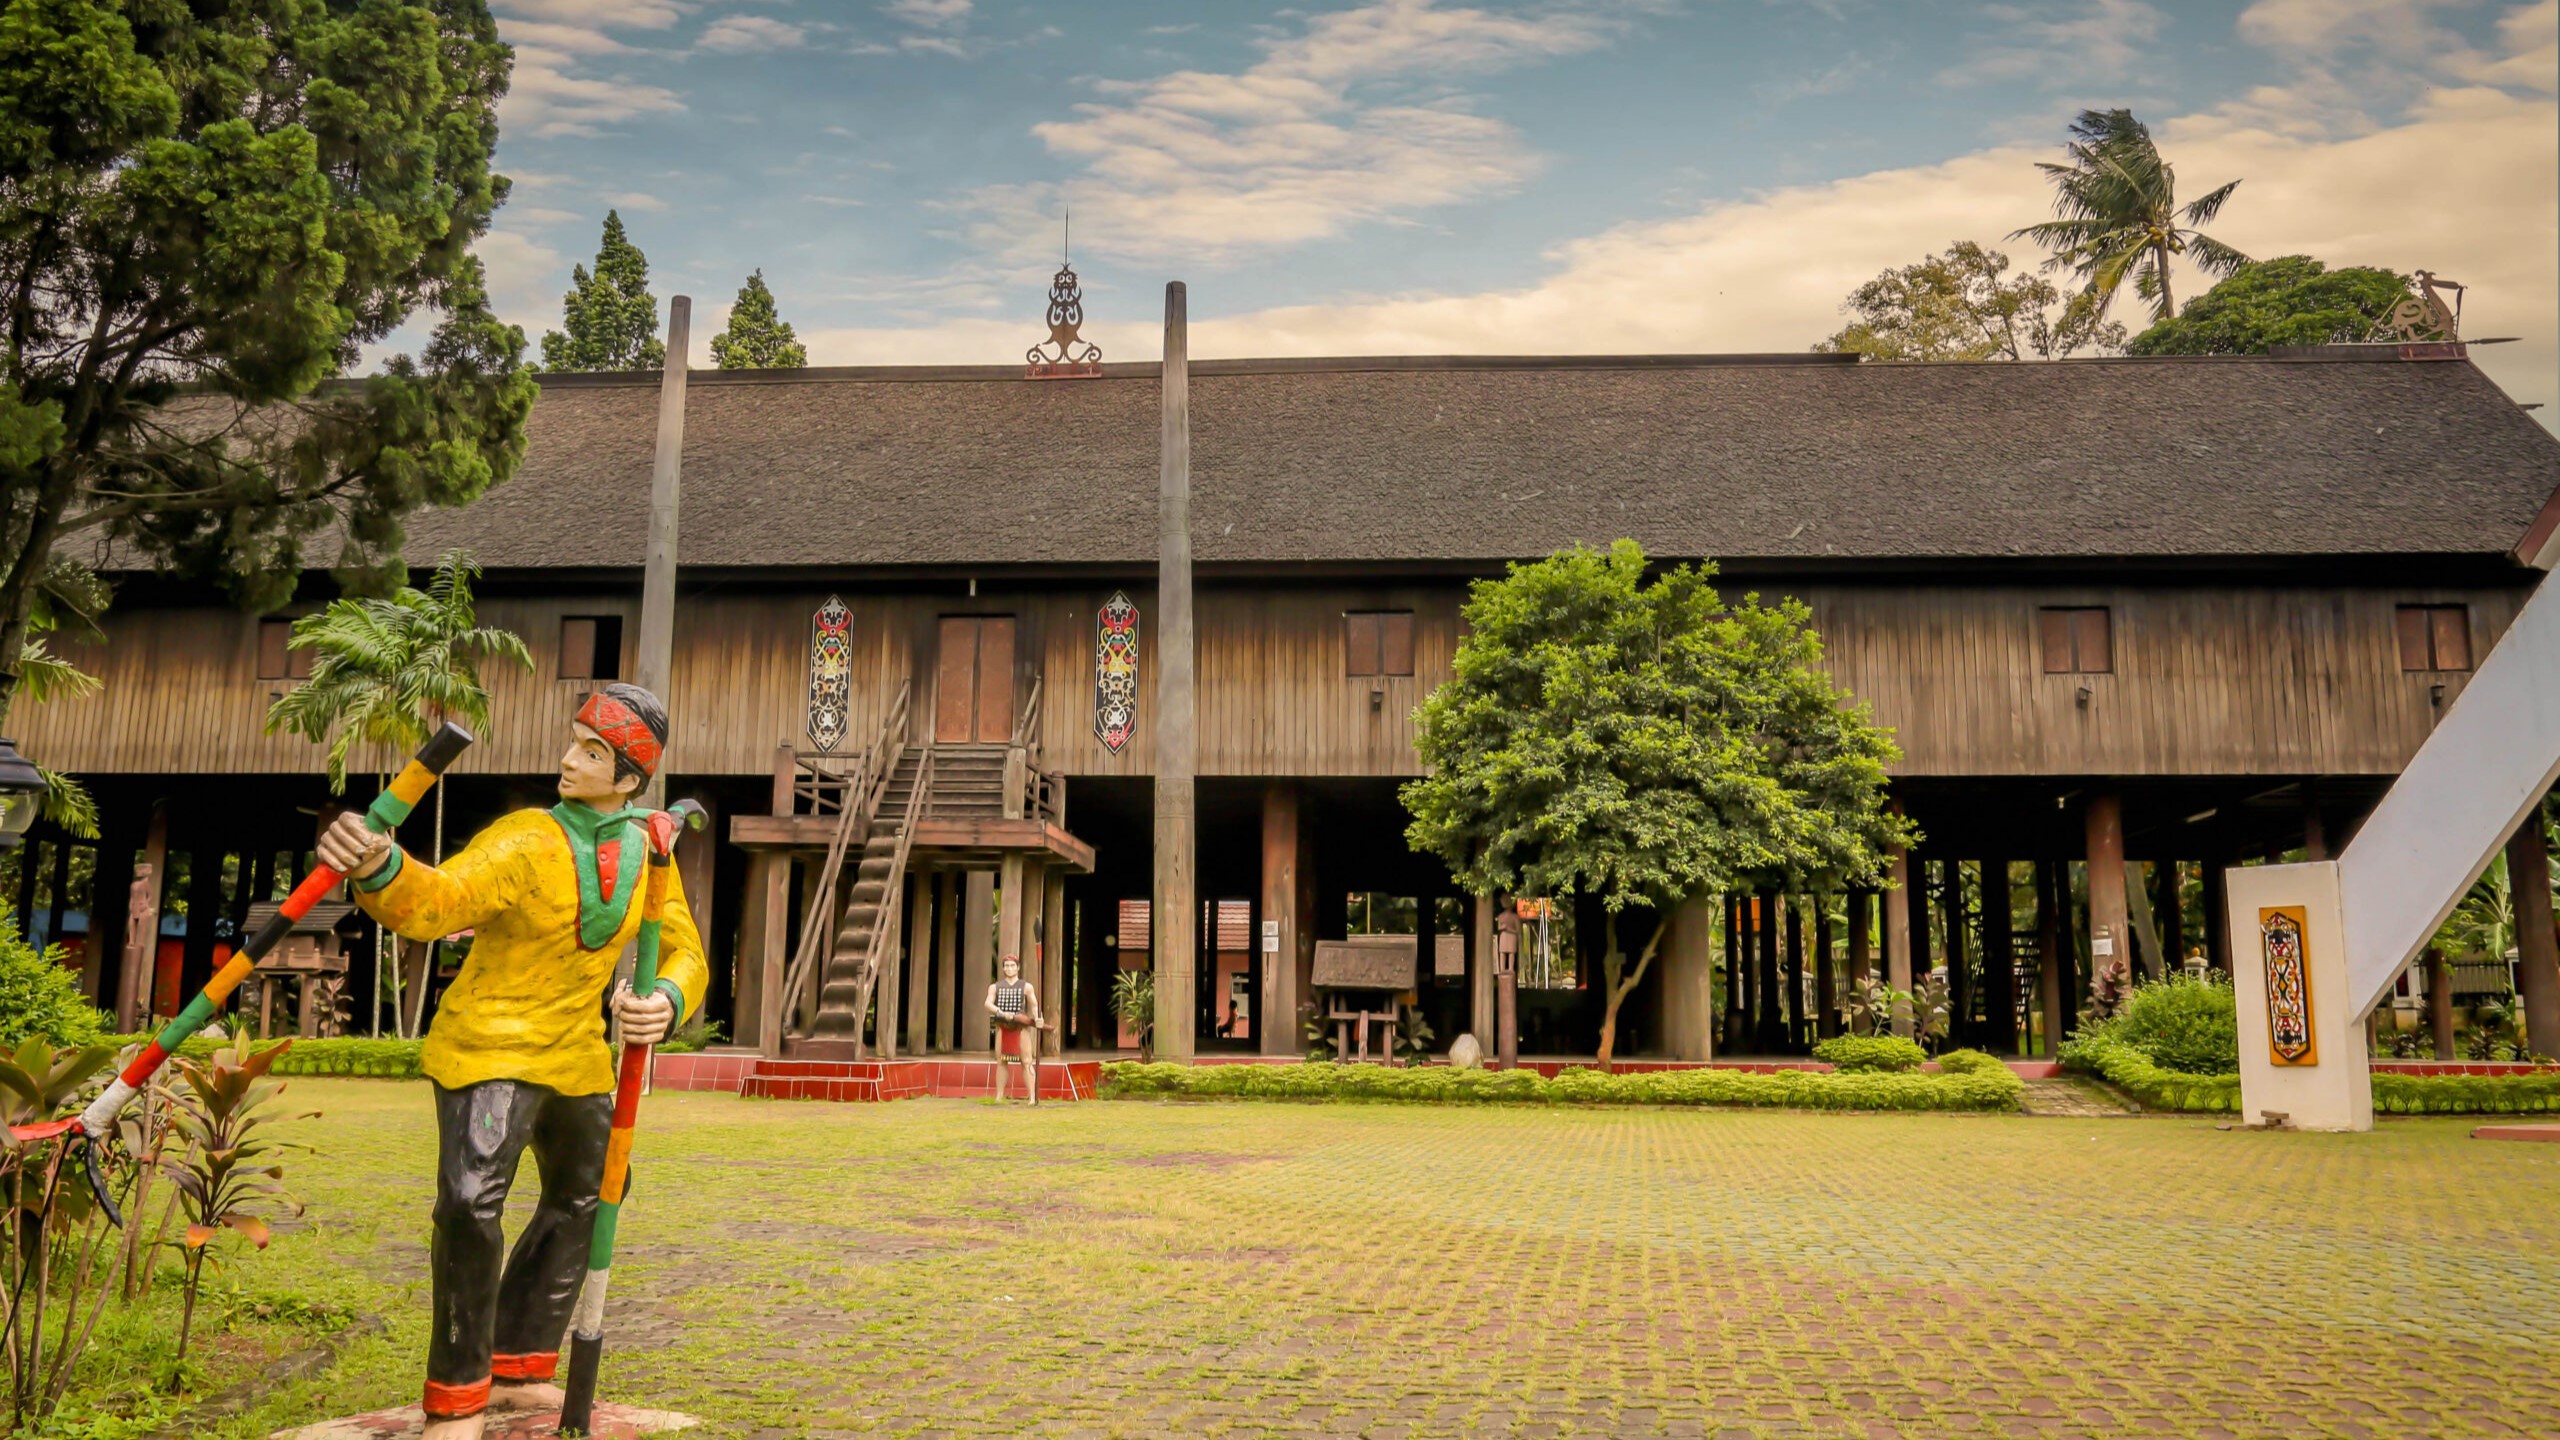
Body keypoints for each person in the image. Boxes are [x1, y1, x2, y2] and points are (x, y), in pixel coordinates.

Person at [317, 685, 708, 1440]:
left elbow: (686, 949)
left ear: (629, 778)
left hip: (578, 1055)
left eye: (591, 752)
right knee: (468, 1206)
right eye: (573, 743)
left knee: (591, 1195)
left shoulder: (650, 849)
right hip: (489, 1046)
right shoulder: (525, 836)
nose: (568, 760)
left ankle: (521, 1363)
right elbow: (439, 903)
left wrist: (664, 997)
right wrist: (380, 865)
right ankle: (457, 1395)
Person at [982, 951, 1045, 1105]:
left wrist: (1038, 1018)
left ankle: (1031, 1097)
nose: (1009, 969)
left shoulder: (1026, 986)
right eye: (1006, 966)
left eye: (1012, 966)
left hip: (1020, 1028)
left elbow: (1034, 1005)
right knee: (1001, 1061)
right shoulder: (995, 987)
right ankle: (999, 1096)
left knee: (1027, 1061)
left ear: (1018, 968)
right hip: (1002, 1028)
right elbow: (988, 1004)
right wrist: (1001, 1012)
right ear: (1003, 968)